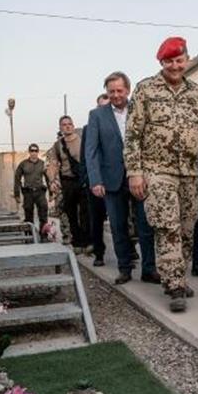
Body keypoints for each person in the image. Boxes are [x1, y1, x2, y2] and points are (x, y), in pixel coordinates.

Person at [125, 36, 198, 313]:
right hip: (157, 172)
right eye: (169, 61)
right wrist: (135, 172)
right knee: (167, 226)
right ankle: (175, 285)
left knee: (186, 228)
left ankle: (177, 274)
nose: (175, 66)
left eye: (179, 60)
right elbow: (132, 135)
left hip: (190, 173)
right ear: (161, 62)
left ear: (187, 60)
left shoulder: (197, 94)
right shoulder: (145, 90)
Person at [84, 72, 158, 285]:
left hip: (140, 177)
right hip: (112, 179)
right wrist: (95, 180)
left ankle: (149, 269)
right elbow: (92, 150)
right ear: (107, 92)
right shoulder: (97, 115)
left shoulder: (141, 109)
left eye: (120, 90)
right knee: (118, 226)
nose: (116, 95)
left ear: (128, 90)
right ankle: (124, 268)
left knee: (146, 225)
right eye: (111, 91)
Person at [46, 115, 90, 252]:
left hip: (83, 180)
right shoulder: (58, 145)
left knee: (85, 212)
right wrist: (52, 180)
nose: (68, 126)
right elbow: (53, 164)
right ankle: (76, 243)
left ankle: (86, 242)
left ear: (73, 125)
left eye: (70, 124)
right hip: (67, 181)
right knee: (71, 213)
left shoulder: (83, 140)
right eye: (64, 124)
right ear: (60, 128)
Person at [83, 93, 110, 265]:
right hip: (96, 180)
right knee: (97, 219)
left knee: (121, 219)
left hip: (115, 179)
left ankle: (129, 251)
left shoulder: (120, 124)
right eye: (102, 106)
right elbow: (85, 155)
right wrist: (89, 179)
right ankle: (99, 253)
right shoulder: (89, 128)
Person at [13, 143, 50, 230]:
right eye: (32, 151)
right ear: (29, 152)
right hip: (28, 193)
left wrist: (51, 193)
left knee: (43, 211)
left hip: (40, 192)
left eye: (36, 151)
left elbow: (48, 178)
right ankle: (29, 234)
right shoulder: (23, 164)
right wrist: (17, 194)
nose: (34, 153)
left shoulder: (42, 164)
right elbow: (17, 179)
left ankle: (44, 233)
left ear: (38, 152)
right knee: (28, 212)